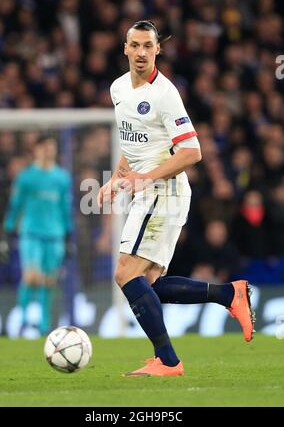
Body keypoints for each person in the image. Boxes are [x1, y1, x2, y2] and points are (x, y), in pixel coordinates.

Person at [97, 20, 255, 377]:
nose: (140, 53)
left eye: (147, 46)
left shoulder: (165, 94)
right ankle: (229, 295)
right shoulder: (118, 88)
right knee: (147, 283)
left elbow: (192, 152)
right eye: (134, 45)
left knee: (125, 273)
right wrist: (116, 179)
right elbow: (133, 141)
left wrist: (145, 177)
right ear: (124, 48)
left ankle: (168, 361)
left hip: (163, 190)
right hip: (150, 190)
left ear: (157, 50)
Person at [0, 137, 73, 335]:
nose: (49, 151)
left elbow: (65, 207)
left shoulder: (62, 177)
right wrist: (7, 230)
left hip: (55, 234)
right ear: (37, 150)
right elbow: (16, 204)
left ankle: (43, 324)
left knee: (49, 279)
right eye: (45, 147)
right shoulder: (26, 177)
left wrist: (68, 234)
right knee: (31, 276)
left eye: (52, 147)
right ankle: (22, 321)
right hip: (31, 233)